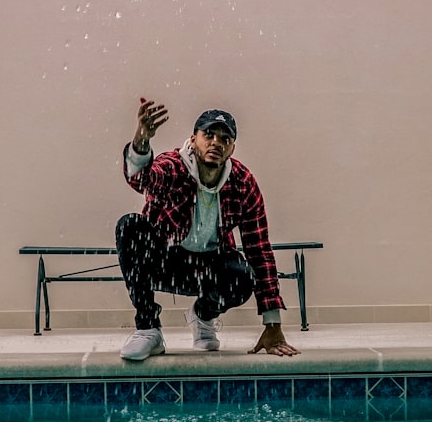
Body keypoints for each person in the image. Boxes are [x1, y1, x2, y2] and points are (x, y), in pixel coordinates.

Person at [115, 98, 301, 361]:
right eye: (209, 135)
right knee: (129, 227)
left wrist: (273, 325)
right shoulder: (174, 167)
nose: (216, 142)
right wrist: (142, 140)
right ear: (193, 139)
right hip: (162, 263)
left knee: (243, 276)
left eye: (225, 139)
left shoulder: (242, 183)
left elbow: (259, 249)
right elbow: (142, 179)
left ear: (232, 148)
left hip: (206, 272)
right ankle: (148, 329)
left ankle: (202, 317)